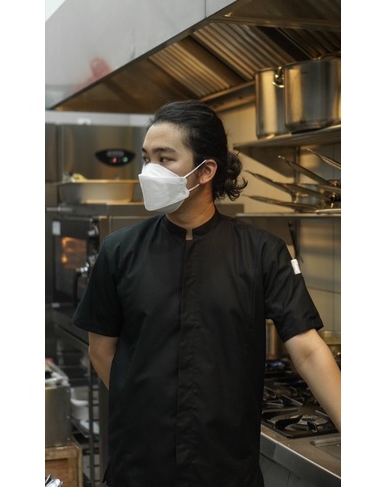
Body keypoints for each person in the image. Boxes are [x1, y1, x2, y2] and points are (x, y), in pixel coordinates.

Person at [72, 99, 341, 487]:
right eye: (147, 158)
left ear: (206, 171)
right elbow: (101, 349)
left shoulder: (262, 252)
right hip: (140, 465)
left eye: (165, 158)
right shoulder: (120, 251)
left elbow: (308, 349)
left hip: (226, 466)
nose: (149, 171)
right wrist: (147, 407)